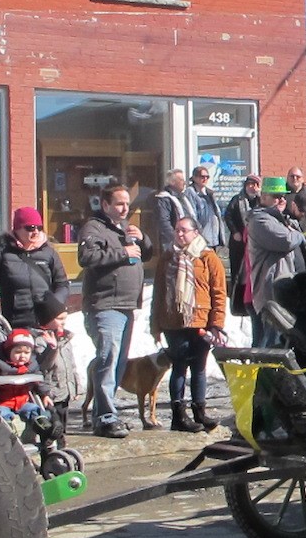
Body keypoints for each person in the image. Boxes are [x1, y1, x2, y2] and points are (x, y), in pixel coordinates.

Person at [79, 184, 154, 438]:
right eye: (120, 204)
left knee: (118, 362)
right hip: (105, 305)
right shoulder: (94, 227)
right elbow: (87, 257)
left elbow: (147, 254)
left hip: (126, 304)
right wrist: (122, 252)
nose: (125, 208)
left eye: (127, 204)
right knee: (107, 359)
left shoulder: (124, 228)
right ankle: (106, 417)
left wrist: (143, 239)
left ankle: (106, 414)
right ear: (106, 205)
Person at [150, 217, 226, 432]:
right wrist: (154, 325)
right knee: (179, 366)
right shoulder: (167, 258)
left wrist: (216, 324)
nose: (180, 234)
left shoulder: (208, 257)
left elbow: (218, 293)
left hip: (200, 321)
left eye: (184, 230)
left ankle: (199, 411)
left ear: (195, 232)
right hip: (173, 322)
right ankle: (178, 415)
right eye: (177, 230)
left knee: (199, 367)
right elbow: (158, 293)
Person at [0, 207, 70, 330]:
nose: (35, 232)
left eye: (39, 228)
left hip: (46, 324)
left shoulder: (49, 253)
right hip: (15, 325)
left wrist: (53, 308)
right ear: (17, 228)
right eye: (30, 228)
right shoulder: (0, 252)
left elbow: (62, 285)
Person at [248, 177, 306, 347]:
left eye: (283, 196)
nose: (281, 200)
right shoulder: (260, 220)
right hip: (271, 292)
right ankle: (266, 373)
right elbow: (286, 240)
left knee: (284, 342)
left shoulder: (280, 219)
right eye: (276, 196)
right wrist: (299, 235)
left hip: (286, 290)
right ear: (263, 197)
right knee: (272, 342)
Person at [0, 327, 53, 428]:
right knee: (1, 413)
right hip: (1, 401)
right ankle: (9, 428)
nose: (22, 356)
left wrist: (45, 395)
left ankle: (44, 427)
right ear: (8, 351)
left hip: (22, 401)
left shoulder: (32, 364)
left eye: (26, 353)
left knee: (34, 409)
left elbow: (39, 380)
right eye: (18, 352)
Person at [224, 174, 261, 317]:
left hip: (254, 243)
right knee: (238, 273)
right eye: (250, 184)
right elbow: (228, 216)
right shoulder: (237, 199)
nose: (252, 187)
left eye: (255, 184)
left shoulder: (260, 200)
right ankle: (237, 303)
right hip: (239, 243)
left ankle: (251, 300)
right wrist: (235, 232)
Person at [185, 165, 225, 249]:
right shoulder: (190, 192)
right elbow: (192, 215)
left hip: (213, 237)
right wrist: (197, 233)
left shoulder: (209, 193)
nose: (205, 179)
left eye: (207, 177)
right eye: (202, 176)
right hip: (201, 238)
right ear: (195, 178)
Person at [154, 168, 194, 250]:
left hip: (189, 241)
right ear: (172, 182)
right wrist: (177, 238)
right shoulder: (164, 198)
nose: (185, 183)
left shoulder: (183, 197)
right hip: (173, 243)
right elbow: (164, 223)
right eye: (181, 180)